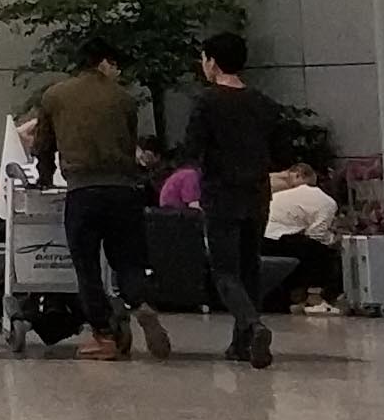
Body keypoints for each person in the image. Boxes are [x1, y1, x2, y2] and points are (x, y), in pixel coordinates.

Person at [25, 37, 166, 362]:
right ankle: (141, 303)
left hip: (83, 191)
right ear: (103, 62)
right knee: (128, 261)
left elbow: (44, 144)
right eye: (115, 65)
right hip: (123, 191)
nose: (117, 72)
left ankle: (104, 335)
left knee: (86, 267)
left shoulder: (55, 95)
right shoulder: (124, 99)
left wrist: (44, 178)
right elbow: (131, 143)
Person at [185, 32, 284, 369]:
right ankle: (241, 344)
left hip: (222, 194)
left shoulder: (207, 102)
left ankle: (253, 326)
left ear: (212, 61)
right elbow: (281, 151)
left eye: (203, 59)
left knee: (225, 271)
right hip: (257, 194)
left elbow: (193, 148)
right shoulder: (264, 104)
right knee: (249, 267)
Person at [264, 151, 346, 313]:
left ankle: (295, 295)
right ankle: (316, 297)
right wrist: (334, 240)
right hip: (284, 240)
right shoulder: (327, 202)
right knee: (323, 252)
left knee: (304, 250)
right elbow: (317, 234)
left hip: (264, 240)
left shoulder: (279, 195)